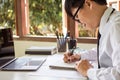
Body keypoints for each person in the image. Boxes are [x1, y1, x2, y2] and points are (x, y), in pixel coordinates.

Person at [63, 0, 120, 80]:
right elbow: (105, 50)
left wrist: (88, 71)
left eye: (77, 17)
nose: (79, 23)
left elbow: (118, 74)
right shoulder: (108, 24)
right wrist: (80, 56)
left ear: (88, 4)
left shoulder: (116, 26)